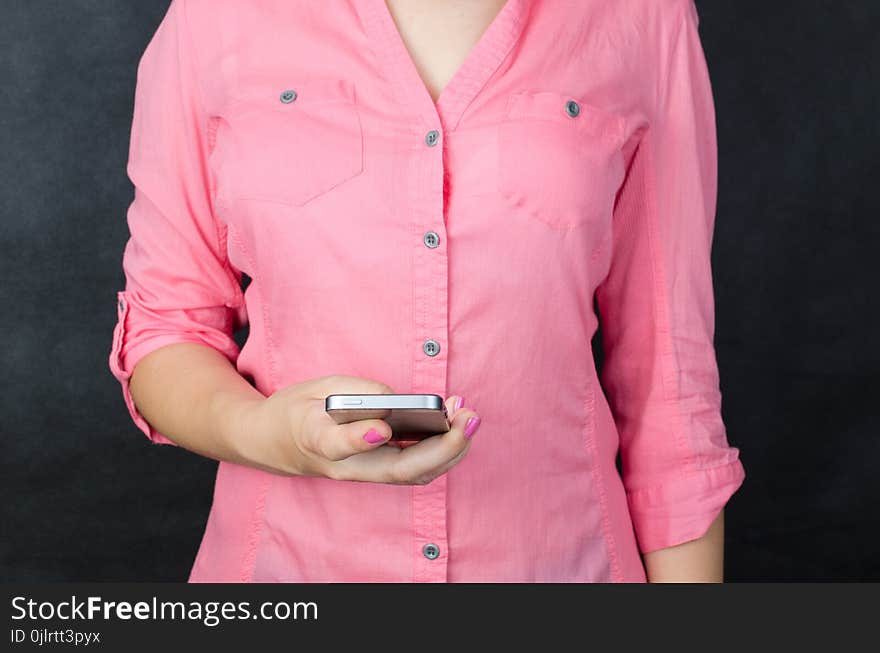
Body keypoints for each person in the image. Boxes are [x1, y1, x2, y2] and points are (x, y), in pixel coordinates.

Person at [108, 0, 746, 582]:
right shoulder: (213, 19)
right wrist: (267, 432)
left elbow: (672, 385)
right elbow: (165, 329)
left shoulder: (644, 19)